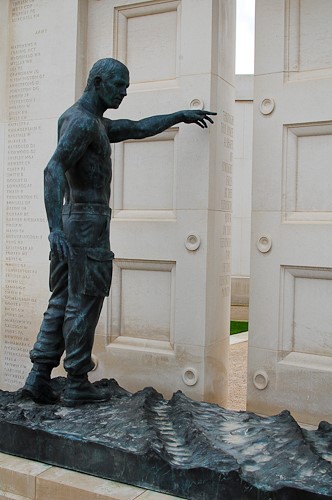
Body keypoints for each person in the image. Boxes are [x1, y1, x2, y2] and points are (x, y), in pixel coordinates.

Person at [23, 58, 216, 406]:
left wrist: (178, 116)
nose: (124, 92)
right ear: (98, 82)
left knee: (63, 300)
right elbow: (52, 169)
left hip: (74, 220)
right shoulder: (84, 123)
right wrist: (54, 230)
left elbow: (137, 127)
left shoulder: (86, 120)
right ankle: (77, 380)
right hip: (86, 224)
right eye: (119, 86)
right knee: (85, 301)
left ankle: (38, 375)